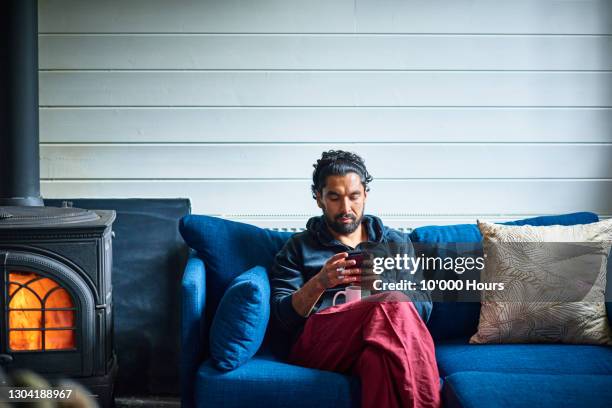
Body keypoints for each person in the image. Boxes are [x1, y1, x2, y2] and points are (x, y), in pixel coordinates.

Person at [270, 150, 440, 408]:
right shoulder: (298, 248)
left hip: (380, 338)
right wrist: (319, 283)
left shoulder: (395, 243)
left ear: (366, 195)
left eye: (354, 196)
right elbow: (281, 318)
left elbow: (424, 306)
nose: (346, 208)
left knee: (378, 361)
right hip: (320, 346)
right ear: (319, 199)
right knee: (392, 302)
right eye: (335, 197)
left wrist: (382, 287)